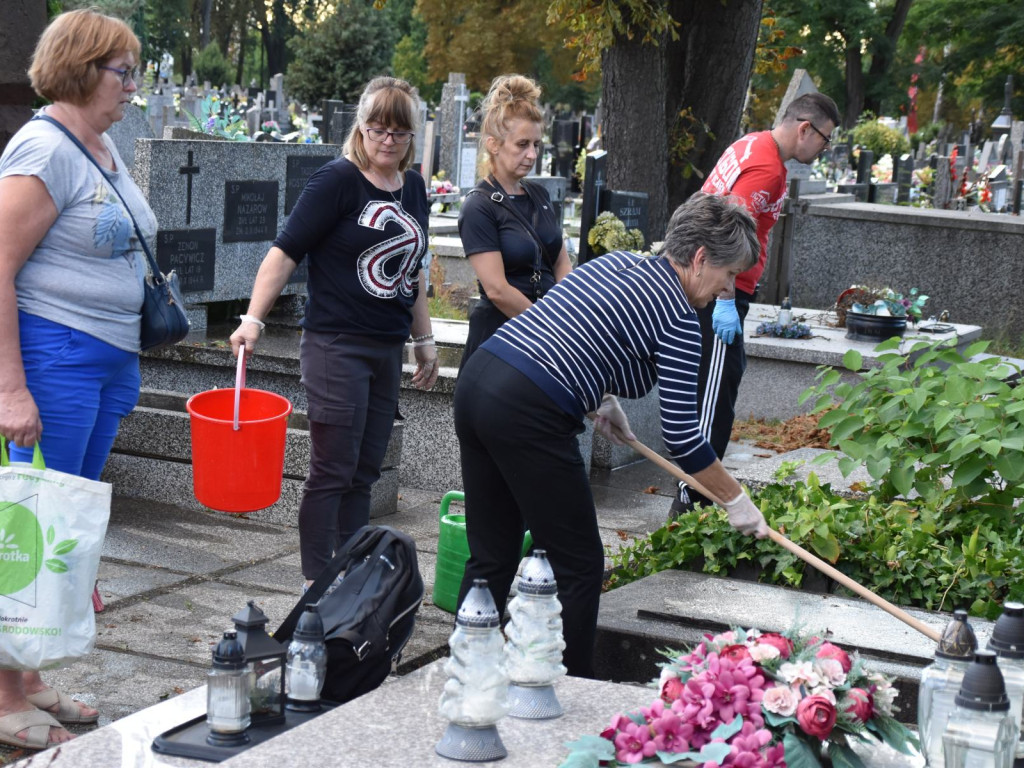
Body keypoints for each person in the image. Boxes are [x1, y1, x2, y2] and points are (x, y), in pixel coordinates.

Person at [453, 193, 770, 678]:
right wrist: (734, 499)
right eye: (729, 275)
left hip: (480, 380)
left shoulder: (619, 262)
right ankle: (572, 691)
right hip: (528, 409)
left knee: (492, 553)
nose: (727, 290)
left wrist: (603, 401)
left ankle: (466, 675)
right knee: (579, 564)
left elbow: (580, 331)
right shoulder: (683, 318)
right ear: (701, 258)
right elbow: (684, 436)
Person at [0, 8, 150, 749]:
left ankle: (27, 673)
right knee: (25, 526)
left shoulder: (102, 144)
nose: (132, 86)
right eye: (123, 71)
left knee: (63, 526)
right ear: (82, 68)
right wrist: (9, 388)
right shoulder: (43, 147)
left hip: (106, 360)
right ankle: (0, 692)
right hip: (54, 355)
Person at [229, 76, 438, 589]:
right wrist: (253, 320)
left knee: (366, 470)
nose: (387, 140)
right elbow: (284, 252)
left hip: (386, 347)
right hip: (335, 345)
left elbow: (413, 271)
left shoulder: (412, 187)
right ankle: (315, 583)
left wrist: (424, 339)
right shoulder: (337, 181)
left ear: (412, 136)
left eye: (399, 131)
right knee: (332, 470)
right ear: (360, 129)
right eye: (377, 129)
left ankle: (350, 573)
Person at [671, 92, 840, 516]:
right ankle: (692, 500)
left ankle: (696, 493)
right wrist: (726, 300)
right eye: (826, 138)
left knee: (721, 385)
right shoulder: (765, 167)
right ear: (805, 128)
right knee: (714, 398)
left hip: (718, 290)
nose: (824, 148)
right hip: (719, 293)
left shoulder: (753, 144)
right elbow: (722, 236)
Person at [457, 75, 571, 369]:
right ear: (494, 144)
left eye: (535, 144)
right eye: (522, 144)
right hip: (502, 339)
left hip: (547, 337)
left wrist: (571, 313)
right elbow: (496, 288)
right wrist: (548, 327)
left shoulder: (538, 195)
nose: (532, 154)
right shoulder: (478, 205)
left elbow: (560, 262)